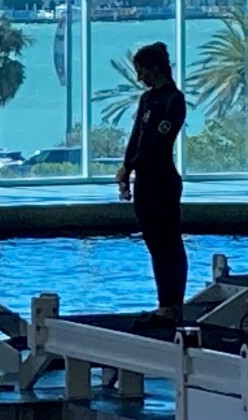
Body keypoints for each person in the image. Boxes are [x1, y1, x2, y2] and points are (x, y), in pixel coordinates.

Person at [115, 42, 188, 330]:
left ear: (153, 68)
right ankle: (163, 304)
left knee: (170, 242)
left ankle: (174, 305)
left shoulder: (174, 100)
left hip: (163, 181)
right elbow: (137, 137)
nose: (139, 77)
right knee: (155, 244)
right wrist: (126, 171)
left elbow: (158, 143)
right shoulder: (146, 100)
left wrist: (129, 165)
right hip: (144, 180)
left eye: (141, 70)